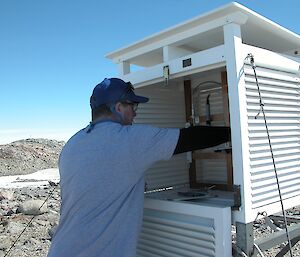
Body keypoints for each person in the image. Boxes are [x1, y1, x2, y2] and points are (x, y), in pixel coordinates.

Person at [47, 78, 230, 257]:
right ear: (118, 108)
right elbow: (191, 139)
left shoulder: (73, 143)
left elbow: (100, 182)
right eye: (133, 106)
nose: (135, 112)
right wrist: (234, 131)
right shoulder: (128, 139)